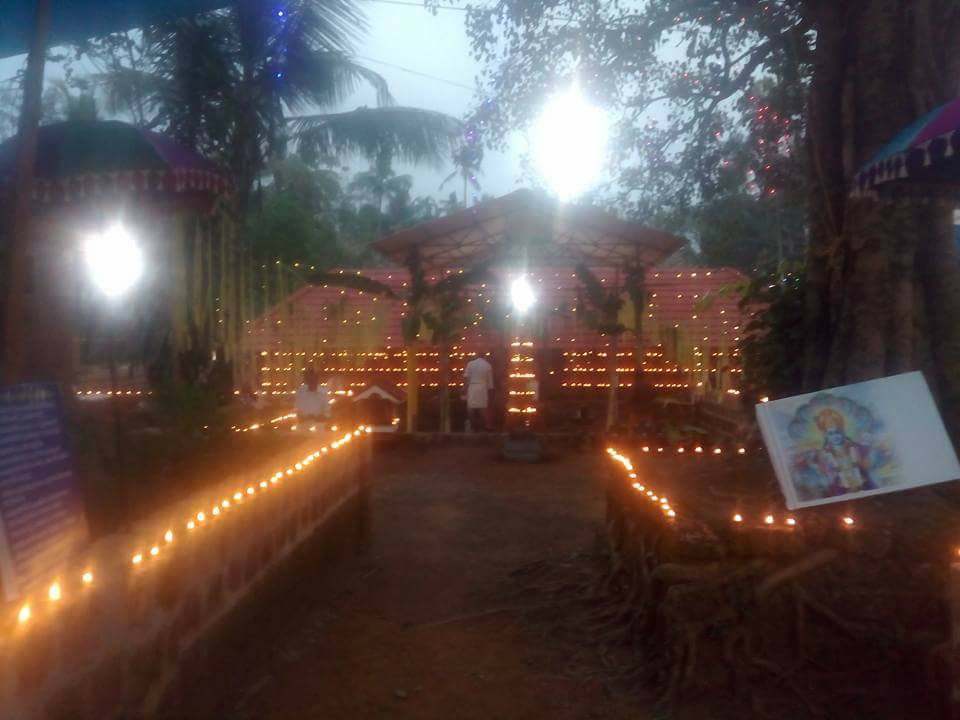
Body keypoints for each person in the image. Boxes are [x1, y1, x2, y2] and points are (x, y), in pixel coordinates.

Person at [463, 351, 494, 432]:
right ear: (484, 356)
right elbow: (490, 383)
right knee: (483, 408)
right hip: (483, 388)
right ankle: (485, 427)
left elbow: (466, 377)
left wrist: (464, 389)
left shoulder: (470, 364)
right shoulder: (488, 365)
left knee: (471, 408)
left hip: (472, 386)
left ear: (476, 355)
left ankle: (473, 427)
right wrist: (490, 394)